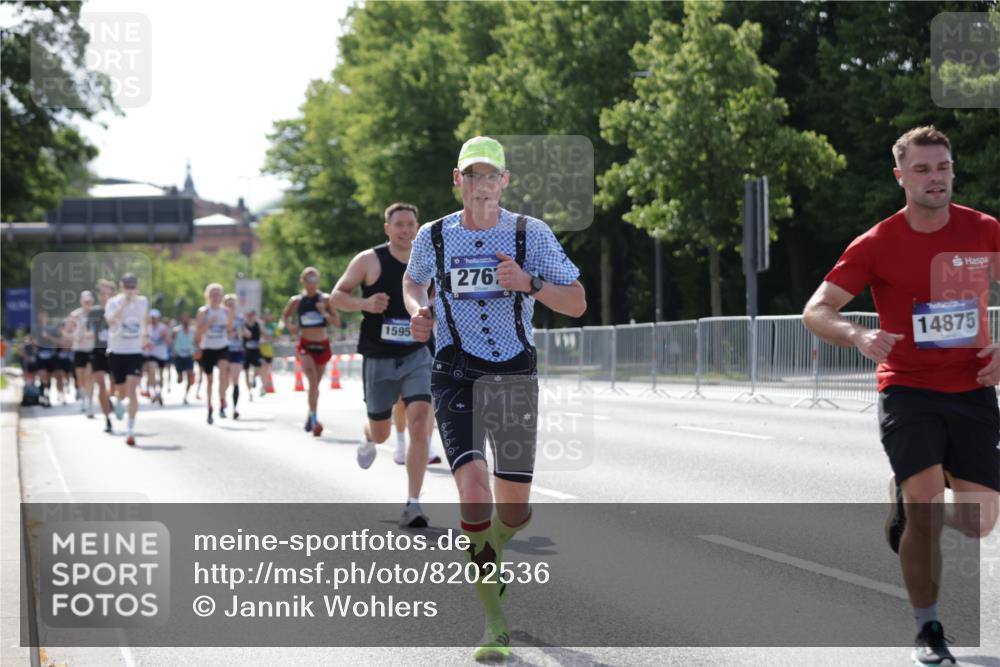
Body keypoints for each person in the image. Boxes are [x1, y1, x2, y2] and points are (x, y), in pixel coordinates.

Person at [803, 126, 999, 667]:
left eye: (943, 168)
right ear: (901, 177)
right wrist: (858, 335)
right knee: (926, 510)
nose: (935, 179)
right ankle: (928, 628)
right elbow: (816, 310)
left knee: (981, 520)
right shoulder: (877, 244)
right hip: (907, 386)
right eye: (922, 170)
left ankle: (909, 493)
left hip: (973, 387)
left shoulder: (983, 232)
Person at [404, 136, 586, 659]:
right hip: (454, 373)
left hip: (513, 375)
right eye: (472, 175)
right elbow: (414, 283)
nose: (481, 185)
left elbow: (576, 302)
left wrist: (528, 283)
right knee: (474, 492)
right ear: (457, 180)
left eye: (491, 176)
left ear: (504, 182)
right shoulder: (433, 237)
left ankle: (497, 540)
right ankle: (494, 622)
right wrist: (419, 310)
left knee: (515, 509)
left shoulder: (531, 235)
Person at [333, 202, 438, 527]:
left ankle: (413, 503)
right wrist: (364, 302)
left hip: (418, 354)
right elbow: (336, 297)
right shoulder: (369, 260)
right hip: (379, 356)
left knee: (419, 421)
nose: (406, 230)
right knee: (381, 433)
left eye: (411, 224)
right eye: (400, 224)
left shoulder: (431, 259)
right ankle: (368, 436)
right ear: (387, 229)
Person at [281, 267, 340, 436]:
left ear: (318, 282)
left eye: (315, 280)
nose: (312, 284)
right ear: (303, 282)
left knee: (316, 385)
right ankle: (314, 418)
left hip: (322, 345)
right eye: (308, 280)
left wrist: (324, 313)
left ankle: (310, 412)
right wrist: (290, 326)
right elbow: (285, 316)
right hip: (305, 345)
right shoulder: (297, 301)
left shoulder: (326, 299)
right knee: (312, 382)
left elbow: (337, 322)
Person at [104, 272, 150, 446]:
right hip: (116, 350)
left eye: (133, 286)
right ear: (121, 287)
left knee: (133, 390)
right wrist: (124, 303)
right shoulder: (113, 302)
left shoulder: (143, 301)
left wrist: (146, 336)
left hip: (134, 351)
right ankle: (117, 400)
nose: (130, 289)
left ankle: (130, 429)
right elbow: (110, 320)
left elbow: (144, 320)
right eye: (127, 286)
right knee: (121, 391)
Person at [195, 283, 233, 424]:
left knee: (223, 373)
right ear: (208, 296)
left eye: (218, 294)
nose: (215, 297)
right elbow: (198, 332)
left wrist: (229, 329)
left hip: (222, 346)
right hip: (208, 348)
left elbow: (229, 330)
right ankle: (210, 406)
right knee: (210, 380)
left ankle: (222, 400)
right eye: (213, 294)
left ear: (221, 296)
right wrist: (208, 324)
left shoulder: (226, 311)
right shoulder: (203, 311)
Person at [88, 279, 116, 433]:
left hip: (115, 352)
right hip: (98, 352)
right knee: (101, 384)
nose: (104, 296)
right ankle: (107, 419)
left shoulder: (118, 309)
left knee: (114, 386)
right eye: (102, 293)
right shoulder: (94, 312)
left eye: (107, 293)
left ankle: (110, 399)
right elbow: (89, 331)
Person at [63, 291, 96, 417]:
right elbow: (66, 332)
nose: (88, 304)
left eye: (90, 301)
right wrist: (75, 337)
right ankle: (83, 399)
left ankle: (90, 402)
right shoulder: (75, 315)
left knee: (90, 377)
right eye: (85, 301)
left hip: (92, 349)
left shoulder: (96, 314)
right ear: (81, 302)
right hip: (79, 350)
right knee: (80, 378)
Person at [223, 294, 246, 419]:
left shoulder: (240, 318)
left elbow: (243, 332)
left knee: (235, 380)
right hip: (223, 350)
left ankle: (235, 408)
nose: (231, 305)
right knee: (225, 381)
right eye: (228, 302)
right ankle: (223, 401)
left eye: (233, 303)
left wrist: (244, 333)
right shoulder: (221, 317)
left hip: (237, 349)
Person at [144, 308, 172, 406]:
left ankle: (159, 392)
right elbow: (143, 342)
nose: (153, 320)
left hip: (162, 355)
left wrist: (165, 335)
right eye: (151, 318)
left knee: (160, 375)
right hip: (151, 354)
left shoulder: (163, 327)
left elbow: (169, 342)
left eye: (154, 318)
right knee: (152, 370)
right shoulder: (146, 328)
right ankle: (153, 391)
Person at [172, 311, 196, 404]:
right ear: (181, 320)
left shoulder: (192, 330)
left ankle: (186, 395)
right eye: (184, 318)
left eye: (187, 318)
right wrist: (174, 351)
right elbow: (172, 341)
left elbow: (196, 341)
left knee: (190, 375)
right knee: (180, 379)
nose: (186, 320)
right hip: (179, 356)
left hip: (189, 355)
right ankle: (179, 375)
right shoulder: (176, 330)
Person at [241, 308, 264, 399]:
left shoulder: (258, 325)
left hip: (256, 350)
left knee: (259, 366)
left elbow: (263, 334)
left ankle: (254, 378)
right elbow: (240, 335)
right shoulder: (243, 325)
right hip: (246, 351)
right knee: (246, 372)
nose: (251, 317)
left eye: (252, 315)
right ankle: (249, 392)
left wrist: (270, 338)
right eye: (249, 315)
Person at [258, 308, 276, 395]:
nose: (267, 316)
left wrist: (268, 340)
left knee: (266, 369)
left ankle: (263, 386)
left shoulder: (273, 326)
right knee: (261, 368)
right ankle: (260, 384)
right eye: (265, 314)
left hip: (269, 351)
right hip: (258, 350)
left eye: (269, 314)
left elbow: (276, 338)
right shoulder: (259, 324)